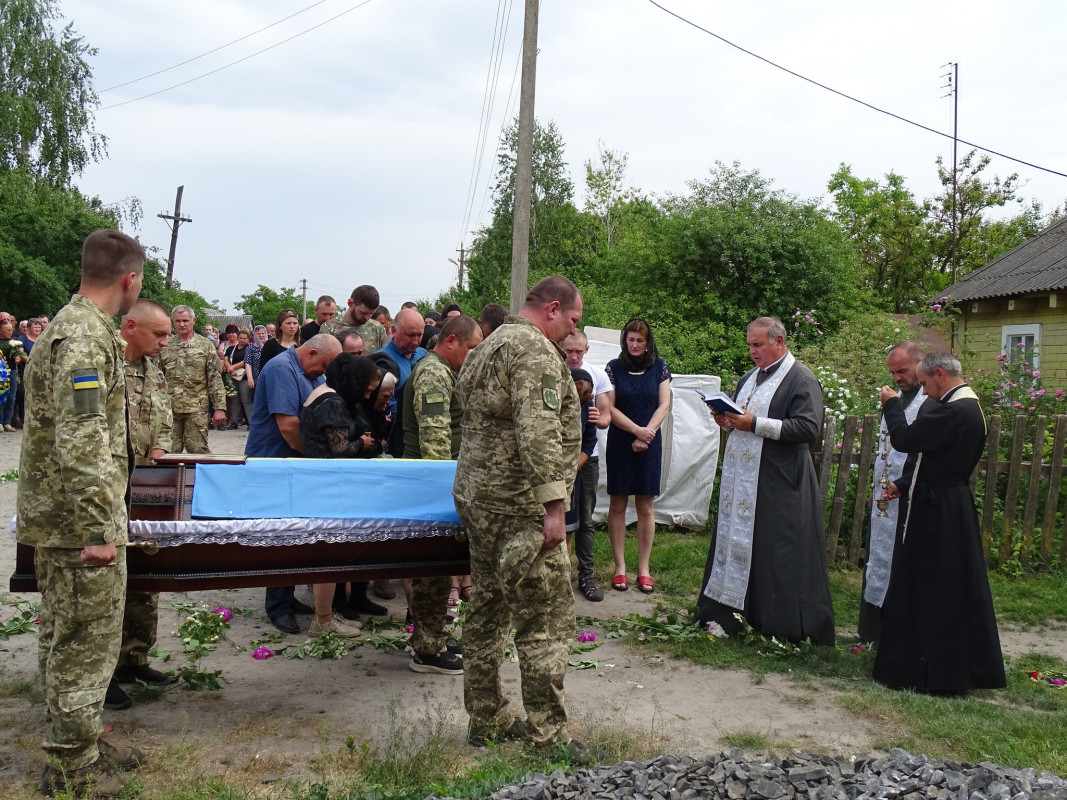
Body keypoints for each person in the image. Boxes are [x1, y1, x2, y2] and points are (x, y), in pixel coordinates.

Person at [17, 229, 147, 798]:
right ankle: (70, 767)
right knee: (85, 641)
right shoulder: (86, 339)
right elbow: (83, 439)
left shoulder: (70, 327)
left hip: (63, 514)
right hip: (78, 523)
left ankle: (80, 740)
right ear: (130, 279)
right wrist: (99, 528)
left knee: (64, 633)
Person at [453, 275, 584, 753]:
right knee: (544, 621)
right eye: (572, 320)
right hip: (520, 508)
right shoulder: (533, 352)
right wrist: (554, 507)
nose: (572, 332)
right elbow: (538, 431)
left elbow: (467, 416)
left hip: (479, 500)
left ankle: (485, 719)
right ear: (552, 308)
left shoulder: (487, 346)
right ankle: (549, 738)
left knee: (487, 611)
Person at [697, 316, 835, 646]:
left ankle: (776, 623)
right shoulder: (751, 377)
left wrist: (754, 424)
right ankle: (728, 615)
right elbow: (741, 418)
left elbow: (807, 429)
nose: (752, 351)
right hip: (743, 482)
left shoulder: (801, 379)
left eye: (758, 345)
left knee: (776, 549)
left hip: (780, 481)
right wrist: (725, 419)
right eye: (749, 345)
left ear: (780, 342)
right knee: (740, 545)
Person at [873, 351, 1005, 694]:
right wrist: (904, 485)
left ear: (941, 375)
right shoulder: (971, 406)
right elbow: (940, 459)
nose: (926, 390)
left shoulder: (952, 410)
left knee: (932, 584)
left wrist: (891, 405)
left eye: (927, 382)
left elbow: (906, 440)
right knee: (948, 582)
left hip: (938, 510)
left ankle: (925, 665)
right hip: (949, 498)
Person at [401, 314, 483, 674]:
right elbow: (435, 443)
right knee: (432, 571)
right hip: (432, 485)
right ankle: (428, 650)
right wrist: (445, 494)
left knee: (433, 568)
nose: (474, 357)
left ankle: (428, 636)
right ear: (451, 341)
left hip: (433, 483)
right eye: (471, 349)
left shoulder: (442, 370)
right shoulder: (434, 372)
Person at [106, 299, 176, 712]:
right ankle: (106, 672)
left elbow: (163, 418)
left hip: (145, 483)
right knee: (109, 582)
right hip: (109, 485)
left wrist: (162, 445)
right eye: (160, 334)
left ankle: (135, 657)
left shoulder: (154, 370)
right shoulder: (105, 363)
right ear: (131, 327)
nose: (166, 342)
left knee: (145, 571)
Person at [246, 334, 342, 634]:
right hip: (273, 462)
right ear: (311, 352)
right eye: (324, 365)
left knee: (296, 535)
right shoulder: (280, 369)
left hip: (295, 464)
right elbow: (289, 427)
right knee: (279, 536)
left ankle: (286, 595)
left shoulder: (309, 371)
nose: (324, 373)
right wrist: (323, 456)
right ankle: (277, 607)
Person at [859, 341, 927, 647]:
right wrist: (878, 488)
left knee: (902, 562)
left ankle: (899, 634)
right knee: (878, 558)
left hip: (911, 497)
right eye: (892, 372)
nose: (898, 377)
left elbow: (924, 452)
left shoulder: (930, 402)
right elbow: (885, 449)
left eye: (902, 370)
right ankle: (874, 631)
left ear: (920, 363)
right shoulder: (898, 398)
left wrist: (904, 483)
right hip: (886, 495)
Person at [602, 319, 671, 594]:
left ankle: (644, 569)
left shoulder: (660, 366)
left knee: (645, 506)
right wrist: (636, 431)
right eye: (630, 339)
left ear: (648, 342)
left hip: (650, 442)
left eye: (640, 340)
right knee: (617, 504)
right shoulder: (613, 368)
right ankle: (620, 568)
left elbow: (664, 404)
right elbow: (609, 406)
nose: (634, 345)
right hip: (622, 440)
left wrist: (648, 433)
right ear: (624, 340)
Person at [560, 331, 612, 601]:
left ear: (586, 349)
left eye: (579, 351)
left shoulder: (595, 375)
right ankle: (558, 577)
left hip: (584, 460)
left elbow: (605, 416)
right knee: (560, 521)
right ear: (562, 347)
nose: (574, 356)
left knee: (584, 519)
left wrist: (597, 417)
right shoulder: (553, 369)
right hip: (557, 464)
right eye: (569, 351)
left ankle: (586, 575)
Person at [160, 305, 227, 452]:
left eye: (185, 320)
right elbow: (157, 378)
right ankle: (173, 477)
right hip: (169, 409)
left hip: (196, 409)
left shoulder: (206, 345)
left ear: (193, 320)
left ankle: (198, 476)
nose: (182, 324)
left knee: (198, 451)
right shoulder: (165, 345)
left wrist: (219, 408)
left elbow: (214, 378)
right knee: (168, 452)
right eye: (178, 321)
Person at [320, 284, 389, 354]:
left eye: (371, 314)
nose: (367, 318)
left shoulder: (378, 329)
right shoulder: (329, 328)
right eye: (363, 313)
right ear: (350, 303)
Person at [0, 317, 27, 431]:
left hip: (12, 371)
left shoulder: (14, 342)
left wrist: (17, 359)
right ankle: (0, 422)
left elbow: (19, 357)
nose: (10, 333)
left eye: (11, 330)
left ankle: (7, 421)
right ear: (0, 331)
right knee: (2, 397)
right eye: (7, 331)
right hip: (1, 373)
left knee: (11, 397)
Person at [223, 328, 254, 428]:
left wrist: (233, 367)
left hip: (244, 378)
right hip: (233, 377)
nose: (242, 340)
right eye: (240, 338)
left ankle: (250, 421)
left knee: (246, 400)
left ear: (248, 338)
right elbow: (225, 359)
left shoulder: (250, 348)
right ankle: (234, 421)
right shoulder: (231, 348)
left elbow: (246, 361)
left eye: (244, 338)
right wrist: (230, 369)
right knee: (234, 400)